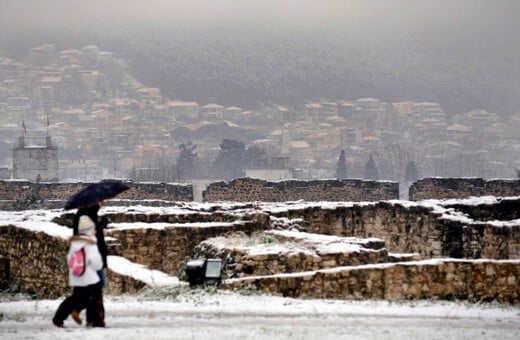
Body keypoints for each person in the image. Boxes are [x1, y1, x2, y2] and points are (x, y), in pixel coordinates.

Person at [52, 215, 103, 328]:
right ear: (90, 230)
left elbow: (70, 260)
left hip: (76, 276)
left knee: (74, 298)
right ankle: (93, 321)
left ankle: (58, 318)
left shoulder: (74, 243)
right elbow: (96, 263)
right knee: (93, 298)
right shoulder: (90, 244)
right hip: (89, 277)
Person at [71, 202, 108, 327]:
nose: (103, 202)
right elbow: (86, 234)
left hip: (91, 255)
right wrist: (100, 225)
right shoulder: (85, 215)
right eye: (101, 200)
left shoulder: (89, 214)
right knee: (96, 287)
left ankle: (92, 318)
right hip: (91, 256)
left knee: (94, 288)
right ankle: (88, 315)